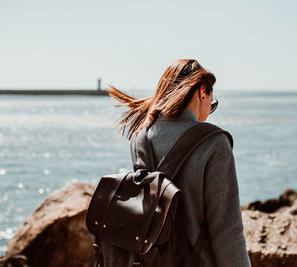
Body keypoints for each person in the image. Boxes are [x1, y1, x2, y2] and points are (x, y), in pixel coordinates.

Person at [106, 59, 251, 267]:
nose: (210, 109)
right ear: (202, 91)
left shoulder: (141, 137)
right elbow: (227, 230)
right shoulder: (213, 143)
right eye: (212, 101)